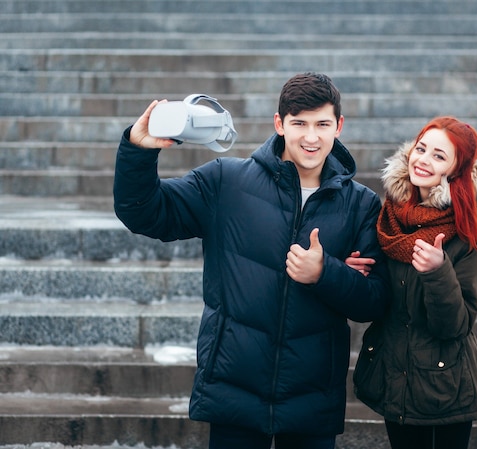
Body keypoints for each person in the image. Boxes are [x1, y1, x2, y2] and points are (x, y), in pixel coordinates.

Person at [113, 72, 390, 449]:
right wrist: (138, 150)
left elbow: (373, 300)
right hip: (234, 386)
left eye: (323, 124)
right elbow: (144, 212)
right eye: (299, 124)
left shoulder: (361, 204)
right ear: (279, 124)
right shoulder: (225, 181)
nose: (311, 137)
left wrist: (326, 272)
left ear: (338, 126)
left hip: (312, 394)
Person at [351, 116, 477, 449]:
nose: (423, 160)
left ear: (457, 171)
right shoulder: (390, 216)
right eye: (421, 148)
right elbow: (380, 295)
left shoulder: (466, 232)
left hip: (447, 386)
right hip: (395, 378)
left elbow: (456, 325)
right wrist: (353, 269)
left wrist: (437, 271)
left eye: (439, 156)